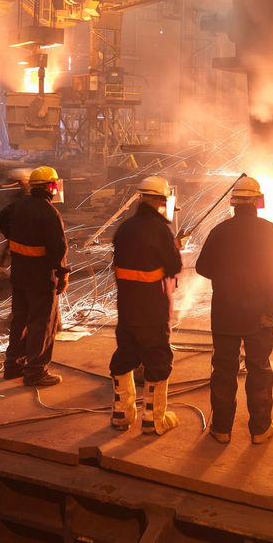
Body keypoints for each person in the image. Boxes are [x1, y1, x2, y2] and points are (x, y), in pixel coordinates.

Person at [195, 176, 273, 445]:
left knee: (223, 370)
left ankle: (221, 430)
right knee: (259, 370)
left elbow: (201, 268)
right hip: (258, 316)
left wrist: (226, 276)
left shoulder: (220, 231)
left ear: (233, 203)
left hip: (225, 315)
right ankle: (260, 429)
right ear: (258, 201)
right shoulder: (270, 230)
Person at [109, 175, 184, 435]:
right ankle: (153, 419)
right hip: (153, 308)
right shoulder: (162, 230)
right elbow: (174, 267)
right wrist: (175, 247)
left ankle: (121, 414)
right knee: (157, 358)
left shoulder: (124, 228)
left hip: (127, 307)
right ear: (161, 201)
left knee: (125, 355)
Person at [0, 165, 70, 386]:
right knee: (42, 323)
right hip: (41, 277)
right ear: (51, 186)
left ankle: (12, 366)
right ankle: (36, 371)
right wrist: (63, 274)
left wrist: (12, 235)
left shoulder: (18, 205)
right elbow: (59, 248)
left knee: (20, 319)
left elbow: (0, 218)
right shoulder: (50, 212)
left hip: (19, 274)